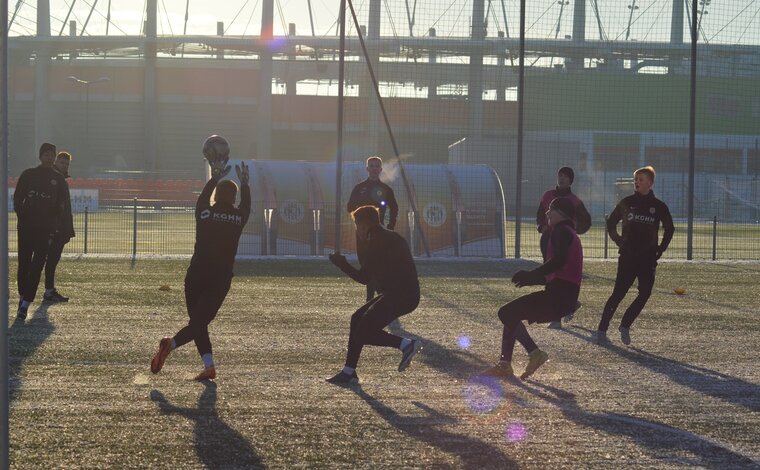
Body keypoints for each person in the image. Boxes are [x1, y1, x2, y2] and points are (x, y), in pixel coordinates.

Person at [150, 135, 251, 381]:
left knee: (198, 322)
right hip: (220, 278)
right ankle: (174, 347)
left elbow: (202, 200)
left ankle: (205, 364)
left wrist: (214, 176)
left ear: (216, 196)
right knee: (199, 323)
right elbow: (247, 207)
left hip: (196, 274)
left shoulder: (204, 213)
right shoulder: (238, 219)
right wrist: (245, 184)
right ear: (234, 199)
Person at [483, 197, 583, 380]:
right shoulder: (568, 232)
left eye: (551, 209)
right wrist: (533, 280)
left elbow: (559, 261)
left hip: (558, 298)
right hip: (562, 297)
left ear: (561, 214)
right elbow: (561, 273)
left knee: (506, 313)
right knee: (511, 313)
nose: (547, 213)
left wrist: (532, 274)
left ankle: (534, 354)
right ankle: (505, 364)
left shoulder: (561, 232)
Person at [326, 205, 421, 386]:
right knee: (357, 319)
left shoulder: (377, 241)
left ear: (362, 225)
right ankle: (349, 372)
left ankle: (406, 344)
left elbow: (363, 278)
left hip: (401, 295)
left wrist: (341, 264)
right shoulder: (388, 236)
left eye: (356, 226)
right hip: (402, 293)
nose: (357, 232)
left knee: (364, 332)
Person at [593, 165, 674, 346]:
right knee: (618, 293)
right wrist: (619, 240)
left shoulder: (659, 206)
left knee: (645, 293)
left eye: (641, 179)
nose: (637, 182)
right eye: (636, 179)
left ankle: (625, 325)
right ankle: (601, 330)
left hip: (647, 258)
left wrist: (661, 248)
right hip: (628, 256)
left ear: (650, 183)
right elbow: (611, 223)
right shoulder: (627, 202)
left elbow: (670, 228)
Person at [13, 143, 67, 320]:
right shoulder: (29, 174)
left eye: (52, 155)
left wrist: (54, 219)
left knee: (37, 266)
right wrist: (23, 216)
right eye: (46, 155)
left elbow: (62, 203)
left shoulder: (58, 179)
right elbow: (17, 198)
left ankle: (26, 304)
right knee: (24, 263)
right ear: (40, 156)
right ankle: (22, 297)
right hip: (26, 228)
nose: (49, 158)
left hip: (45, 229)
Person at [536, 166, 591, 329]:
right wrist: (541, 227)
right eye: (560, 175)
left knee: (562, 276)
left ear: (570, 180)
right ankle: (562, 311)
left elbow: (586, 222)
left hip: (564, 242)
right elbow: (540, 215)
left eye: (565, 176)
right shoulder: (547, 195)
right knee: (551, 275)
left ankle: (559, 314)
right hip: (548, 240)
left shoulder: (575, 200)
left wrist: (573, 232)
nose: (562, 178)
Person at [347, 156, 399, 301]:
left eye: (377, 166)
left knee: (377, 265)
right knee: (364, 265)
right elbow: (349, 206)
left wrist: (390, 226)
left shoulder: (385, 189)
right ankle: (376, 297)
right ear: (367, 169)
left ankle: (373, 298)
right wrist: (361, 213)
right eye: (372, 166)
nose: (374, 169)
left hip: (378, 234)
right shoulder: (359, 188)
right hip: (362, 234)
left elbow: (394, 208)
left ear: (381, 169)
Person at [43, 151, 75, 303]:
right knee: (49, 260)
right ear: (56, 162)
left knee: (51, 260)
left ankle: (48, 290)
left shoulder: (60, 179)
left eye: (67, 163)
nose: (65, 166)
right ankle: (47, 291)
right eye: (62, 162)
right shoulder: (54, 179)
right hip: (55, 228)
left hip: (60, 228)